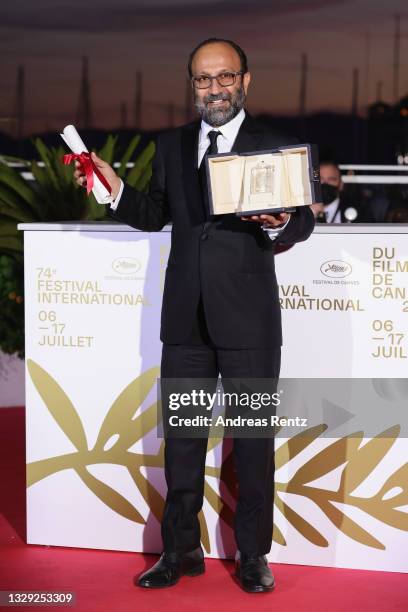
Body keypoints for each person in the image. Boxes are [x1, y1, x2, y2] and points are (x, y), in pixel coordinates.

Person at [74, 37, 314, 593]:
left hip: (250, 324)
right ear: (193, 87)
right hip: (185, 324)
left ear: (245, 81)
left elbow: (301, 223)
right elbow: (154, 213)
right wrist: (114, 191)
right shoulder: (172, 146)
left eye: (225, 77)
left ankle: (253, 555)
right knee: (182, 440)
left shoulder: (276, 146)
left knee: (252, 442)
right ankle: (180, 550)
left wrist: (279, 221)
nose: (215, 89)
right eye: (204, 80)